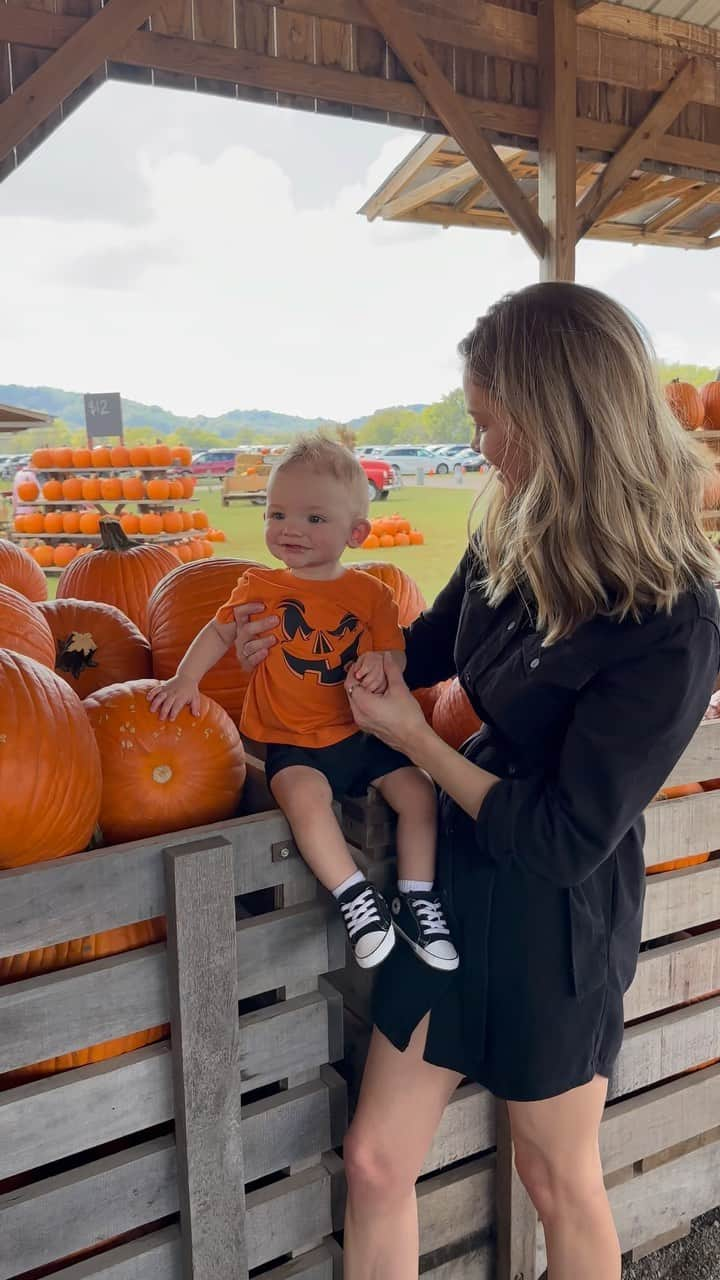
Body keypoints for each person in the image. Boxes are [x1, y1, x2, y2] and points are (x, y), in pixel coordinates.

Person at [234, 284, 720, 1280]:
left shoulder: (674, 620)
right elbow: (426, 641)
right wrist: (334, 659)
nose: (481, 444)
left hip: (556, 928)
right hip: (447, 896)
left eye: (490, 420)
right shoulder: (508, 529)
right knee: (372, 1160)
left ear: (559, 417)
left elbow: (562, 835)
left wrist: (416, 735)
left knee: (558, 1180)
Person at [148, 435, 458, 974]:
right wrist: (184, 679)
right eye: (278, 514)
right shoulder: (258, 586)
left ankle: (418, 898)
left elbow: (393, 650)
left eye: (314, 518)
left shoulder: (370, 595)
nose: (290, 529)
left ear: (355, 532)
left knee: (419, 794)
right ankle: (357, 900)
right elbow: (217, 634)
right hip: (294, 741)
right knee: (301, 798)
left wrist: (382, 664)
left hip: (363, 734)